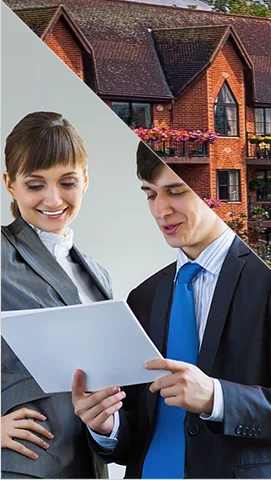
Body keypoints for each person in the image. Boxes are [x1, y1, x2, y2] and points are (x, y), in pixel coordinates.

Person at [72, 148, 271, 478]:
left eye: (177, 191)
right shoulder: (143, 297)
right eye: (150, 194)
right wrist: (106, 424)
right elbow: (137, 430)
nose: (160, 210)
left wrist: (215, 398)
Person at [1, 111, 112, 478]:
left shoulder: (97, 276)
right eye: (35, 185)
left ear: (85, 181)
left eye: (67, 182)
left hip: (87, 466)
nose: (53, 199)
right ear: (10, 184)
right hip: (22, 467)